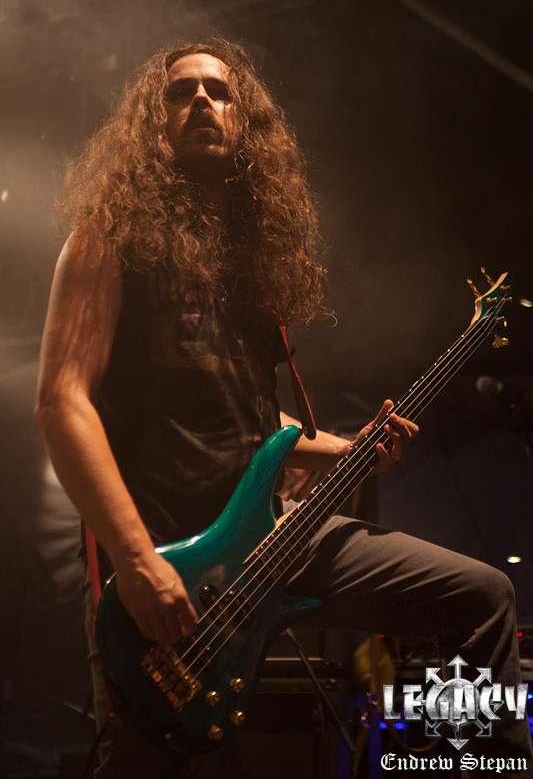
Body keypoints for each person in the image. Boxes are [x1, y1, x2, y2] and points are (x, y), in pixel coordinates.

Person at [36, 38, 531, 778]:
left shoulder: (249, 271)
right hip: (169, 544)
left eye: (219, 92)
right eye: (180, 92)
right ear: (151, 122)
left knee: (480, 594)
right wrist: (136, 561)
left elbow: (246, 419)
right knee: (150, 755)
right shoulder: (109, 236)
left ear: (246, 123)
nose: (202, 102)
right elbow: (62, 398)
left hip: (272, 535)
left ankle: (483, 765)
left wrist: (343, 449)